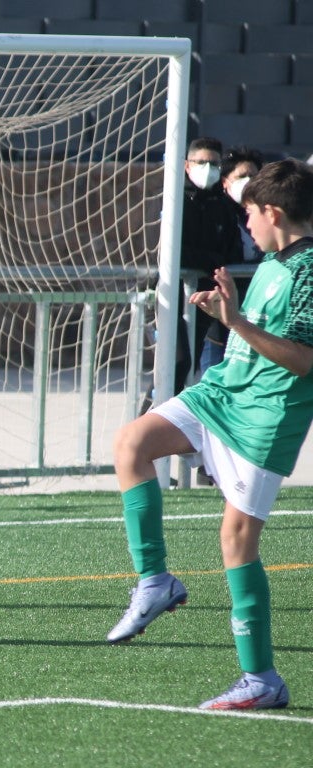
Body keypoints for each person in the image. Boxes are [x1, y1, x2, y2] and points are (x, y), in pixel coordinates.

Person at [107, 158, 313, 710]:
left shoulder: (311, 270)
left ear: (273, 211)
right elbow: (264, 329)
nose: (245, 223)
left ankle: (261, 679)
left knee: (237, 542)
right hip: (222, 393)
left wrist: (237, 323)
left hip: (266, 416)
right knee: (132, 443)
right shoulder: (274, 262)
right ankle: (155, 581)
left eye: (248, 212)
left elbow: (304, 360)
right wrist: (231, 310)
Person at [174, 137, 244, 394]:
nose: (207, 168)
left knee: (199, 370)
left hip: (206, 297)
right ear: (186, 165)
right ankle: (148, 425)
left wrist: (212, 262)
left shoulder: (223, 206)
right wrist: (210, 260)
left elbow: (232, 252)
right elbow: (173, 252)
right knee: (176, 366)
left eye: (214, 163)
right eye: (201, 162)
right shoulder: (174, 201)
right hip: (173, 298)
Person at [198, 146, 265, 374]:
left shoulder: (268, 215)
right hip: (221, 318)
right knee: (213, 381)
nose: (248, 182)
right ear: (225, 182)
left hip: (256, 315)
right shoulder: (217, 213)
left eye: (253, 176)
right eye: (241, 176)